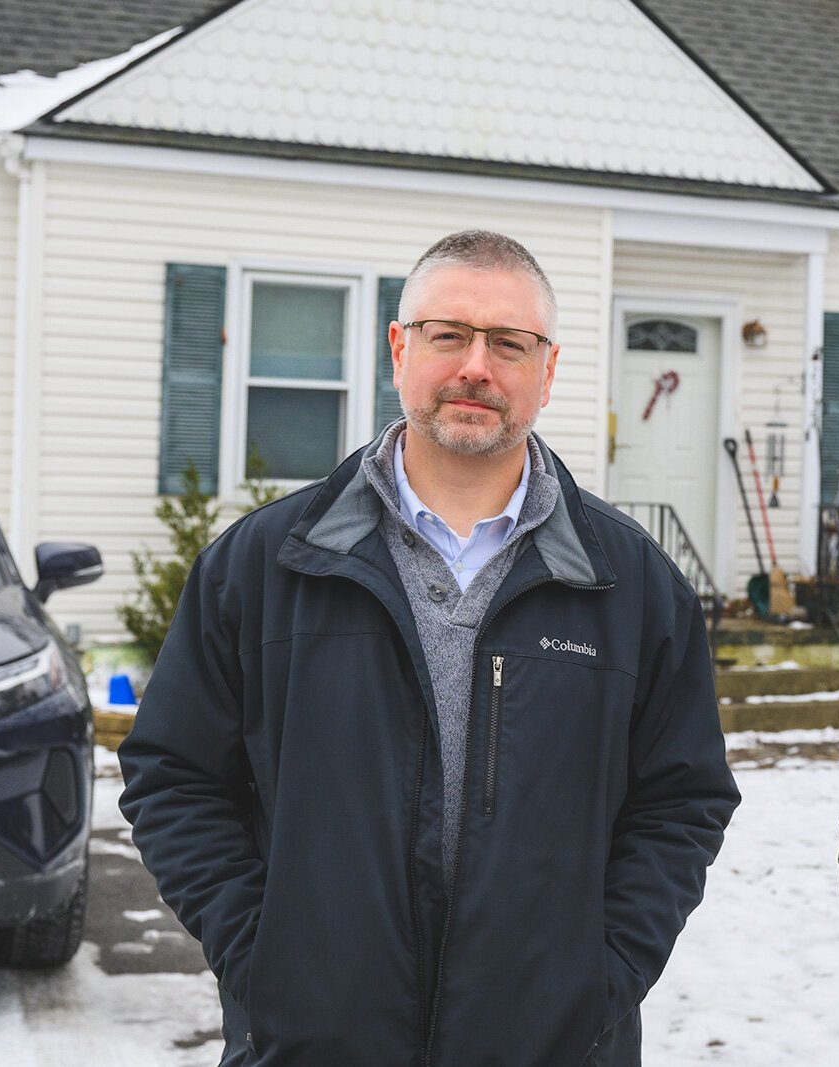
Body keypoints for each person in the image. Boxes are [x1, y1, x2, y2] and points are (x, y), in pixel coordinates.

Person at [120, 230, 740, 1066]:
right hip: (313, 1044)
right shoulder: (263, 565)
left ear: (548, 371)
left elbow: (682, 799)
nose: (476, 367)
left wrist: (600, 974)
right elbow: (176, 773)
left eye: (509, 344)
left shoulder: (632, 586)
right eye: (448, 334)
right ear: (398, 348)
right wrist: (263, 956)